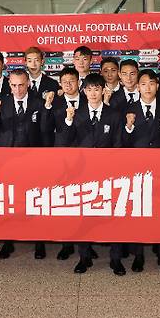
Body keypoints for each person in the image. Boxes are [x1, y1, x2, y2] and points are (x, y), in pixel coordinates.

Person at [56, 73, 123, 275]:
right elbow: (64, 143)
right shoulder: (75, 114)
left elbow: (119, 145)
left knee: (114, 216)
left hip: (108, 174)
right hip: (82, 175)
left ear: (104, 90)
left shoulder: (114, 115)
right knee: (83, 217)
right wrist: (68, 121)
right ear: (83, 91)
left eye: (97, 89)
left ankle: (116, 259)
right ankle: (84, 258)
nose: (93, 93)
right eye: (89, 89)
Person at [0, 69, 45, 259]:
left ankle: (39, 241)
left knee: (35, 202)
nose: (18, 89)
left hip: (34, 161)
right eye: (13, 85)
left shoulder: (39, 102)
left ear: (28, 83)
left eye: (21, 85)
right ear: (9, 84)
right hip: (7, 162)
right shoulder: (2, 103)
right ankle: (8, 240)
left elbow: (45, 132)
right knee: (9, 202)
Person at [122, 69, 160, 273]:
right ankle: (138, 255)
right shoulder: (129, 109)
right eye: (143, 84)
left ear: (157, 86)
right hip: (138, 168)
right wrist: (128, 127)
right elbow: (123, 143)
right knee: (138, 212)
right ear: (138, 87)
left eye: (152, 83)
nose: (148, 87)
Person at [40, 67, 87, 259]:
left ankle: (86, 242)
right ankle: (67, 243)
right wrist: (48, 107)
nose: (68, 84)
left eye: (72, 81)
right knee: (67, 202)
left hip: (86, 157)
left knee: (85, 201)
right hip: (62, 158)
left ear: (79, 83)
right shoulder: (54, 102)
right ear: (60, 84)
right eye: (64, 81)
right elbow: (44, 128)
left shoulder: (89, 99)